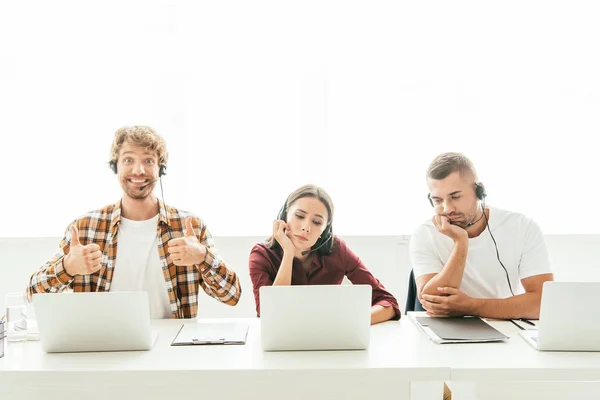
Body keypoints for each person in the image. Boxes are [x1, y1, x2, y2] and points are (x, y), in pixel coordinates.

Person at [27, 126, 241, 318]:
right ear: (115, 167)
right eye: (128, 160)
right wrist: (68, 267)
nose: (138, 170)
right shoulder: (85, 227)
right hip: (103, 349)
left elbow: (231, 295)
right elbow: (33, 294)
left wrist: (203, 256)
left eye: (148, 160)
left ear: (161, 169)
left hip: (170, 354)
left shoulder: (189, 227)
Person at [410, 152, 554, 319]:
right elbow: (433, 303)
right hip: (449, 331)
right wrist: (461, 242)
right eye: (438, 200)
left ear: (479, 191)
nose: (447, 209)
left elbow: (543, 303)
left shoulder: (522, 227)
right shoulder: (424, 233)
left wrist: (471, 306)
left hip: (506, 327)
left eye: (455, 197)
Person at [249, 184, 400, 324]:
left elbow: (388, 303)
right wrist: (288, 253)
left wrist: (352, 322)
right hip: (280, 342)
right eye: (299, 216)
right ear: (284, 216)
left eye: (316, 222)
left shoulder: (338, 250)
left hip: (329, 339)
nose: (306, 227)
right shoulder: (261, 255)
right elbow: (272, 314)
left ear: (324, 231)